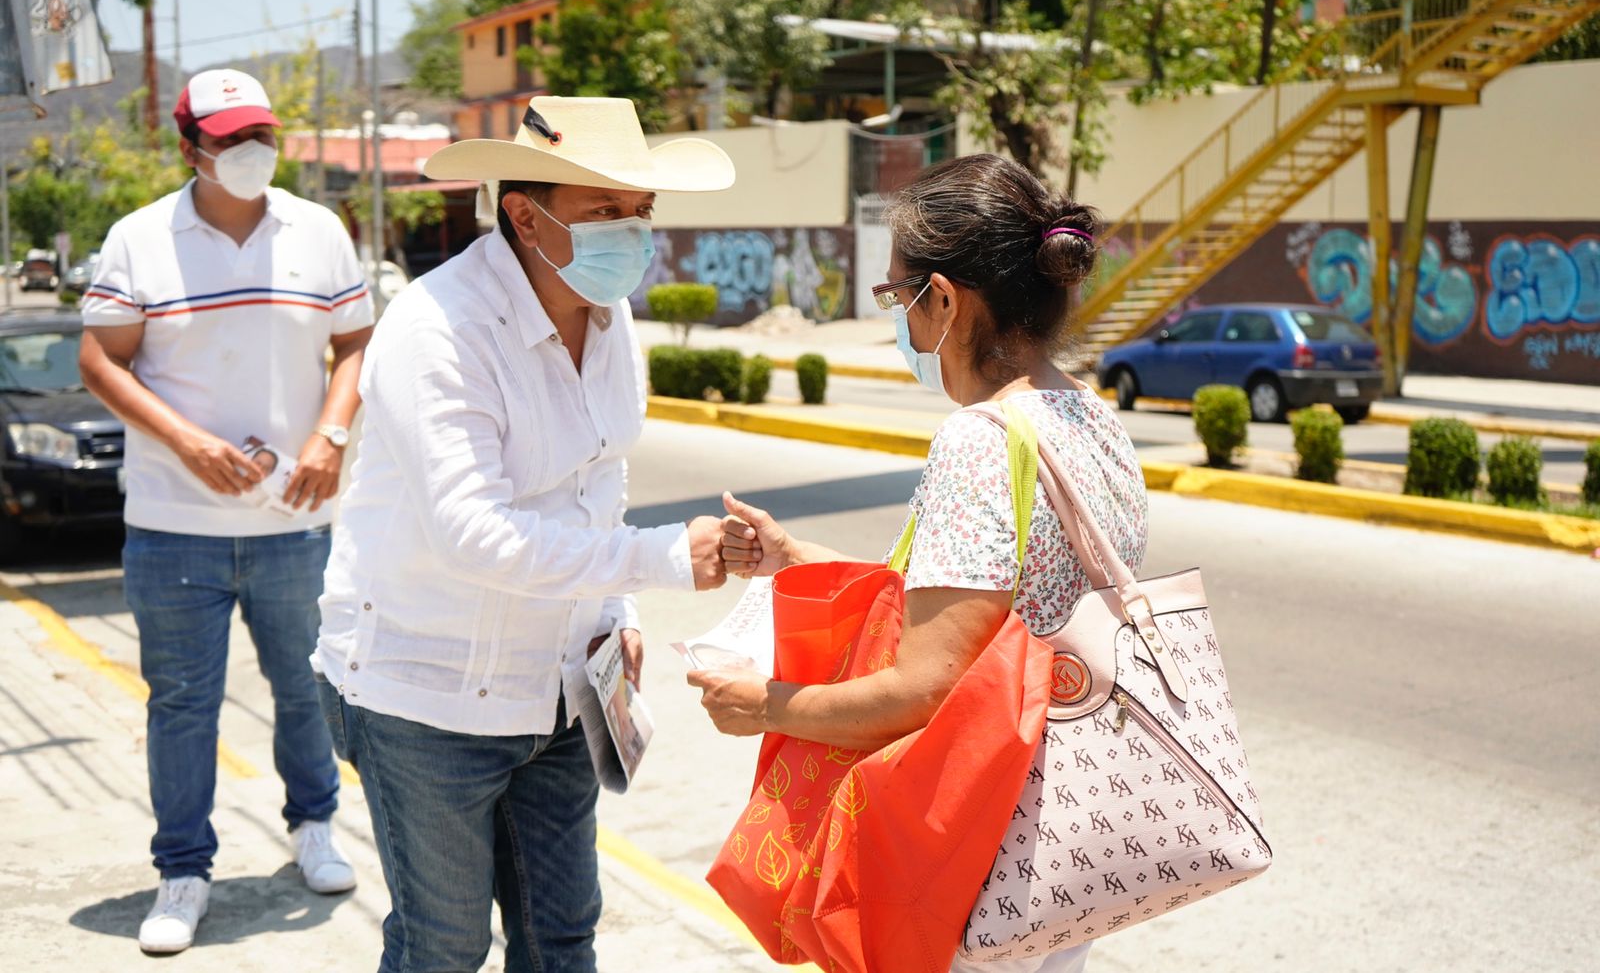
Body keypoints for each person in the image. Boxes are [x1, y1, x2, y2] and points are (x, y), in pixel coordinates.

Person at [689, 154, 1150, 973]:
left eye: (898, 296)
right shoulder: (1092, 418)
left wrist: (766, 705)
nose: (900, 320)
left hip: (972, 846)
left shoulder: (980, 440)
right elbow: (979, 605)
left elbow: (926, 688)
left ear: (943, 299)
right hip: (1062, 836)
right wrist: (797, 559)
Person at [313, 95, 735, 973]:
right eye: (605, 211)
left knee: (561, 934)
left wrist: (614, 605)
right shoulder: (440, 329)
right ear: (522, 213)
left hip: (560, 687)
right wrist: (657, 560)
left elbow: (601, 473)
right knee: (443, 945)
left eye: (641, 210)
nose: (633, 232)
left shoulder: (612, 320)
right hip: (428, 696)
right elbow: (474, 534)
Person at [78, 68, 374, 955]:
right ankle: (183, 872)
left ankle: (313, 829)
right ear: (190, 150)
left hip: (293, 521)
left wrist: (330, 434)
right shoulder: (138, 240)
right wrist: (188, 443)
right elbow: (101, 359)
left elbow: (355, 341)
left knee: (305, 691)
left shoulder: (319, 231)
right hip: (175, 529)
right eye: (230, 140)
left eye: (261, 136)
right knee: (183, 705)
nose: (251, 153)